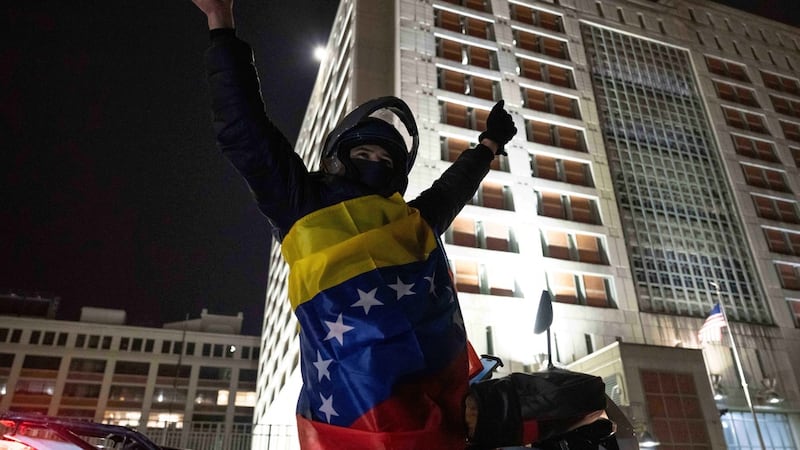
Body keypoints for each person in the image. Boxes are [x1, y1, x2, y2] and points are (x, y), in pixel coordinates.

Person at [190, 1, 610, 449]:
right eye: (363, 154)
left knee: (583, 400)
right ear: (338, 159)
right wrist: (221, 23)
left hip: (437, 401)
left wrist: (489, 144)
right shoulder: (300, 201)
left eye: (385, 159)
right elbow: (244, 130)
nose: (374, 162)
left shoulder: (412, 222)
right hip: (353, 409)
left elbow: (451, 189)